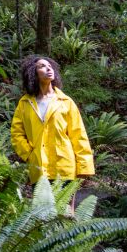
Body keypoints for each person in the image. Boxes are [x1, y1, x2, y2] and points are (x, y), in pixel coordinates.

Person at [10, 54, 95, 184]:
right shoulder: (25, 103)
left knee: (64, 205)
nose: (49, 69)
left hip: (64, 167)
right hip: (38, 168)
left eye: (50, 66)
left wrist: (84, 167)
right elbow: (17, 134)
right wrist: (29, 154)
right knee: (42, 205)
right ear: (33, 73)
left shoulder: (65, 101)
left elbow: (79, 135)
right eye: (42, 66)